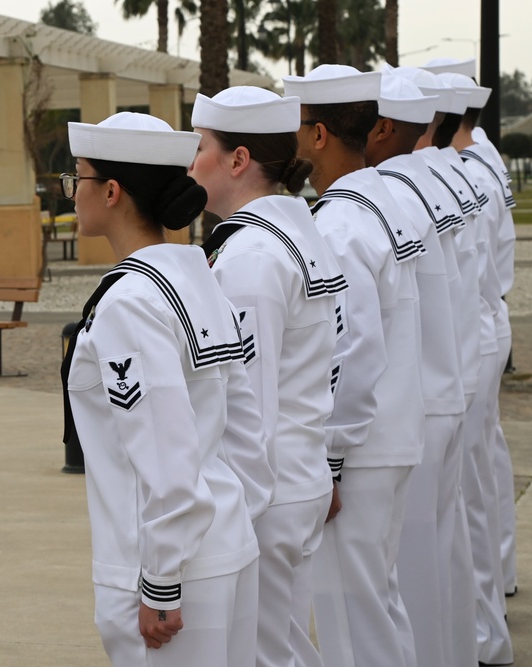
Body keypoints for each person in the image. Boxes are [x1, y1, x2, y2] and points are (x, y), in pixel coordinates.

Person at [60, 111, 270, 667]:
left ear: (111, 191)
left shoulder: (130, 300)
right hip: (226, 543)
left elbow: (163, 446)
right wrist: (241, 523)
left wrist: (160, 581)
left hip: (166, 567)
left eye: (76, 177)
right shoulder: (196, 276)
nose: (69, 191)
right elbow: (245, 427)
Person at [188, 86, 345, 667]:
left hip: (267, 492)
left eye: (200, 146)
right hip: (296, 474)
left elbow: (247, 400)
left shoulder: (251, 258)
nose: (190, 162)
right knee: (281, 647)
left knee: (259, 654)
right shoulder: (294, 233)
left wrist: (228, 515)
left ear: (237, 159)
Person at [282, 64, 426, 667]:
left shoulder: (338, 223)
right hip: (393, 432)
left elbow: (354, 348)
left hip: (360, 447)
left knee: (351, 617)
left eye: (297, 124)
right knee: (379, 603)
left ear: (318, 135)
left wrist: (330, 461)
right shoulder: (384, 201)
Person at [363, 74, 466, 667]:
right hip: (441, 384)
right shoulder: (433, 183)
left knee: (398, 583)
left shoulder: (389, 193)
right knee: (436, 560)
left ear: (382, 128)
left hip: (411, 404)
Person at [446, 70, 520, 604]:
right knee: (483, 464)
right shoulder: (484, 162)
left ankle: (484, 613)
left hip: (474, 325)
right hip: (486, 319)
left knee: (469, 479)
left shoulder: (466, 172)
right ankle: (496, 583)